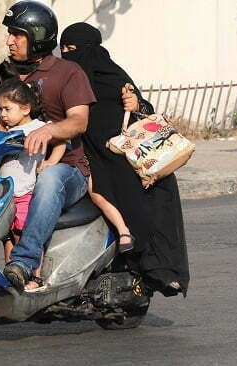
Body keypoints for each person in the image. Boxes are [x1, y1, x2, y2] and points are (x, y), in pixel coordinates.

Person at [60, 22, 189, 296]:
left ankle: (160, 270)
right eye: (64, 50)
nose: (68, 55)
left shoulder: (112, 74)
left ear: (91, 50)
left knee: (156, 193)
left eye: (74, 49)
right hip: (90, 152)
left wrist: (136, 105)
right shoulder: (66, 78)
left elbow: (145, 112)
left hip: (127, 153)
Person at [0, 1, 98, 292]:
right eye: (10, 33)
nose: (9, 40)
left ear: (38, 36)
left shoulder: (68, 72)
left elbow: (79, 121)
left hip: (66, 168)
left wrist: (50, 129)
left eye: (18, 34)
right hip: (13, 163)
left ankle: (24, 261)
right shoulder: (5, 73)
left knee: (49, 178)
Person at [0, 78, 67, 291]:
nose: (3, 114)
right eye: (0, 109)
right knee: (7, 235)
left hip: (26, 192)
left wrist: (51, 162)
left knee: (26, 234)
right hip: (6, 193)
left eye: (7, 109)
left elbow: (61, 141)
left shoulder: (40, 128)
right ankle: (12, 273)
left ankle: (35, 276)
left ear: (25, 108)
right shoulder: (5, 131)